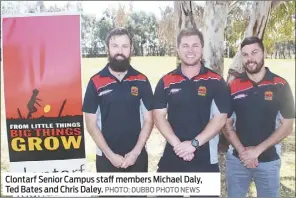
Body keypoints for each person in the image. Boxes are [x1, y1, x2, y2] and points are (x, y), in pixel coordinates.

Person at [224, 36, 295, 197]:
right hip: (237, 160)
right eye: (245, 54)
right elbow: (226, 124)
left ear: (264, 53)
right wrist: (243, 152)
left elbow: (287, 126)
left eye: (254, 52)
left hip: (269, 161)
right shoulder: (233, 85)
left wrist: (256, 151)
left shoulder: (280, 85)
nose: (250, 59)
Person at [153, 28, 231, 172]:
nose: (190, 50)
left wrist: (193, 144)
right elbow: (158, 117)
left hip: (206, 159)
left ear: (202, 48)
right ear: (177, 49)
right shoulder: (166, 81)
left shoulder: (216, 81)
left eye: (195, 45)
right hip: (172, 155)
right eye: (185, 46)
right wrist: (178, 145)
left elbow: (220, 118)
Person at [82, 27, 154, 172]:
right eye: (115, 46)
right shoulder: (95, 82)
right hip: (106, 158)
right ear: (108, 48)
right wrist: (110, 155)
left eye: (124, 46)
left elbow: (149, 120)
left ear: (131, 49)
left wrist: (135, 152)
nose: (120, 51)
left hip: (137, 157)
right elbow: (90, 124)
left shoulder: (142, 80)